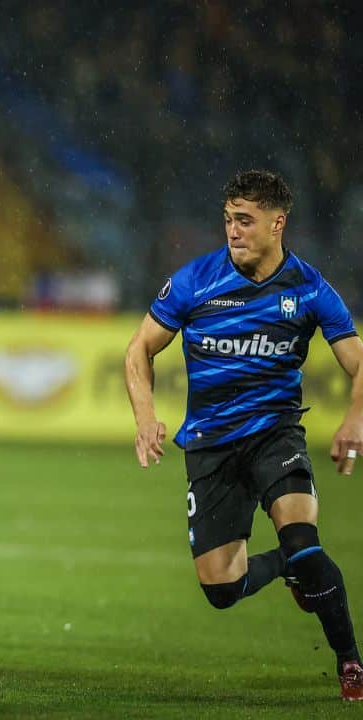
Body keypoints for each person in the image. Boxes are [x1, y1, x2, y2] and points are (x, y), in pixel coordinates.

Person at [125, 170, 363, 701]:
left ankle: (351, 663)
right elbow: (138, 348)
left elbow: (358, 362)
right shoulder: (194, 281)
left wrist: (355, 418)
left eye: (245, 221)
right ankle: (289, 567)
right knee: (221, 588)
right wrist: (145, 416)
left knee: (303, 538)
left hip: (276, 435)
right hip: (211, 444)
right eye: (229, 219)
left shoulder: (308, 288)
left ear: (278, 224)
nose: (232, 231)